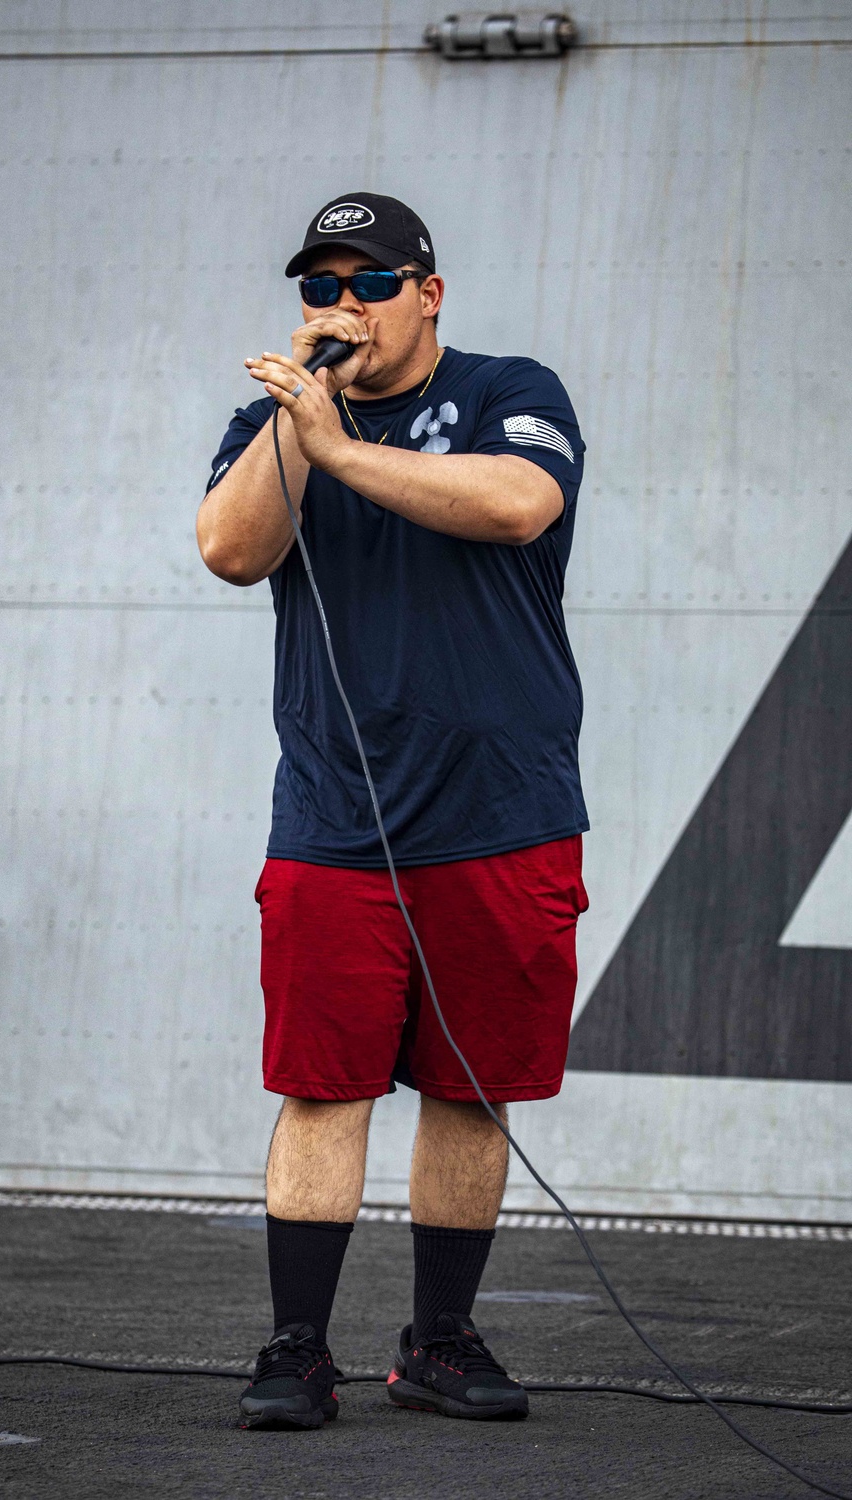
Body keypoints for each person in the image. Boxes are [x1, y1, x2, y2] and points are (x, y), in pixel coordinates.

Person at [197, 192, 589, 1430]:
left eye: (369, 284)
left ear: (429, 291)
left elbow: (518, 504)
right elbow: (228, 549)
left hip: (501, 811)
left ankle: (437, 1339)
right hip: (333, 812)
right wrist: (293, 428)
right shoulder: (277, 423)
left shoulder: (506, 389)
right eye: (320, 288)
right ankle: (295, 1348)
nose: (342, 308)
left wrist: (345, 450)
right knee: (323, 1084)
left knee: (470, 1089)